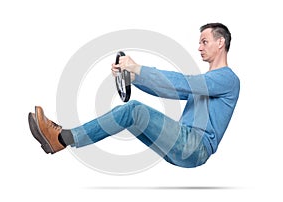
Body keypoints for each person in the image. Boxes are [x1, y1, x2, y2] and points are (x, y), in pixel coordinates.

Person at [28, 23, 240, 168]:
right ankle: (62, 140)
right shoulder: (207, 83)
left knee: (134, 110)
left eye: (205, 42)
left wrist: (138, 68)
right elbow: (169, 90)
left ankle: (63, 138)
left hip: (194, 147)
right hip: (182, 149)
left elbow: (184, 82)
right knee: (130, 116)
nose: (199, 47)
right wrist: (132, 77)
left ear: (220, 42)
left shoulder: (227, 79)